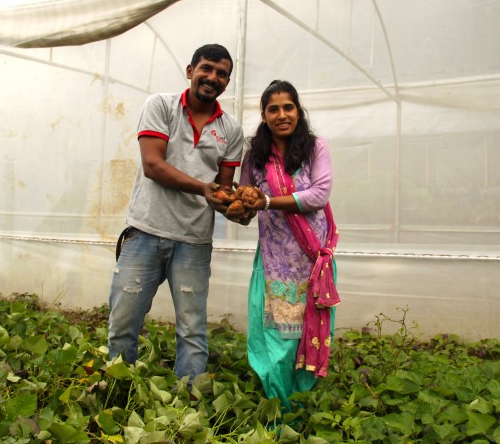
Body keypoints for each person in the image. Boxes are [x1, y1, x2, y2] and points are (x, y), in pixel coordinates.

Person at [107, 44, 244, 383]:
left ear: (227, 82)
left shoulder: (231, 130)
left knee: (192, 330)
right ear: (190, 70)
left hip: (194, 241)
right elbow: (153, 165)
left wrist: (240, 206)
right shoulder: (161, 106)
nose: (213, 77)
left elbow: (222, 189)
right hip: (145, 231)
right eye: (207, 68)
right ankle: (117, 391)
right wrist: (203, 189)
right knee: (124, 322)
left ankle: (188, 406)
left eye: (221, 73)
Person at [235, 79, 340, 410]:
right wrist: (236, 205)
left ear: (298, 110)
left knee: (302, 338)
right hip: (273, 263)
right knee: (277, 339)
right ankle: (279, 406)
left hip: (310, 260)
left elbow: (318, 196)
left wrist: (266, 201)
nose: (282, 115)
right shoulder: (254, 157)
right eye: (273, 109)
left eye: (288, 107)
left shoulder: (315, 148)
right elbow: (245, 205)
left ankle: (299, 401)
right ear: (264, 116)